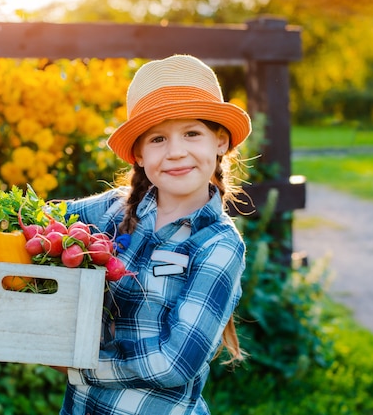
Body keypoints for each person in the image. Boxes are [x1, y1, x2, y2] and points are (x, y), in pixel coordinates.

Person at [58, 54, 252, 414]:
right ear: (139, 155)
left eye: (192, 133)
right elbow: (32, 225)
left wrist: (78, 364)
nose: (176, 152)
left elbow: (173, 364)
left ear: (220, 142)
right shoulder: (112, 212)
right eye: (158, 139)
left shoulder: (218, 245)